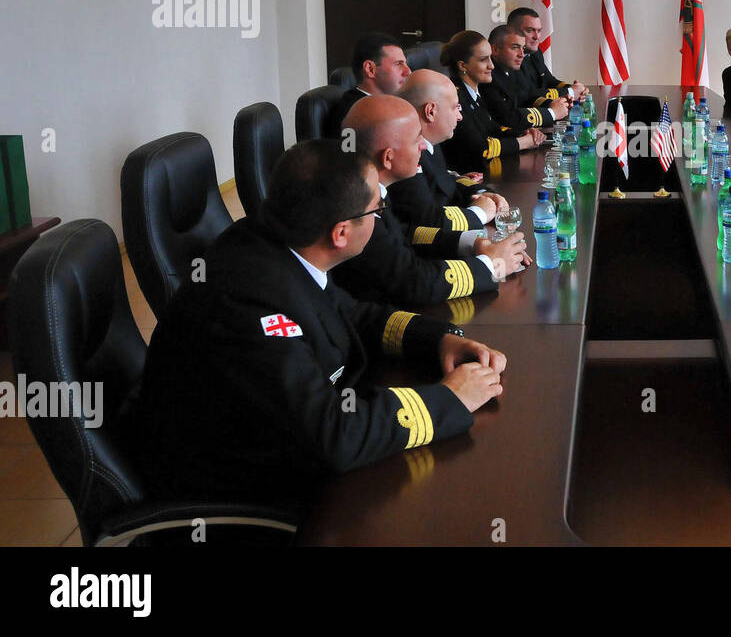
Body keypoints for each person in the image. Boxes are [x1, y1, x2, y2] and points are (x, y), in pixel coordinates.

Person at [131, 139, 508, 504]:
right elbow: (333, 435)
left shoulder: (276, 241)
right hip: (238, 493)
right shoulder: (247, 303)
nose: (381, 220)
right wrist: (449, 398)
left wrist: (438, 339)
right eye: (377, 211)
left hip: (282, 442)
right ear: (341, 232)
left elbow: (351, 313)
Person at [331, 96, 528, 306]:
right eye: (417, 139)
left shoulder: (367, 189)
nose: (424, 147)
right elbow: (411, 281)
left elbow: (405, 233)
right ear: (388, 158)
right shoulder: (357, 209)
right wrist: (492, 264)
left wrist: (472, 242)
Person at [389, 69, 510, 233]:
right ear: (430, 112)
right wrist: (480, 212)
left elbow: (447, 184)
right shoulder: (406, 156)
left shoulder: (431, 142)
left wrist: (483, 195)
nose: (460, 117)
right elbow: (426, 220)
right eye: (455, 108)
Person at [440, 30, 545, 173]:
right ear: (462, 66)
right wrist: (524, 142)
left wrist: (523, 133)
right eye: (483, 60)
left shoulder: (473, 92)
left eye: (490, 58)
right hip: (468, 176)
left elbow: (492, 129)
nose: (492, 66)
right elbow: (481, 148)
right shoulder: (455, 98)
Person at [481, 24, 570, 130]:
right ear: (495, 50)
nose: (522, 54)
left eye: (522, 48)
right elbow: (508, 118)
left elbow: (525, 98)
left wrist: (554, 103)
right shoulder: (488, 78)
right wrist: (552, 113)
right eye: (515, 47)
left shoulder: (509, 69)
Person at [324, 32, 411, 138]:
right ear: (370, 69)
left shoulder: (383, 104)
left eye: (405, 64)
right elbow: (348, 152)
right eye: (398, 64)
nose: (408, 71)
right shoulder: (353, 114)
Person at [509, 6, 589, 102]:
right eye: (530, 31)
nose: (537, 37)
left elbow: (549, 81)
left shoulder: (535, 53)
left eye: (539, 31)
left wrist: (577, 89)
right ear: (512, 31)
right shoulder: (507, 58)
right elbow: (527, 94)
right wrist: (570, 92)